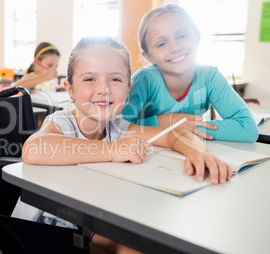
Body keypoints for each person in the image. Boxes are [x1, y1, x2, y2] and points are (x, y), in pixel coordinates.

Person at [15, 36, 231, 254]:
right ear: (70, 89)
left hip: (88, 223)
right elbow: (33, 149)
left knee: (149, 242)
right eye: (90, 79)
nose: (104, 89)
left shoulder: (118, 127)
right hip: (44, 232)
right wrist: (113, 150)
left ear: (128, 89)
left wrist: (198, 152)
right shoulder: (63, 122)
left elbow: (173, 135)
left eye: (115, 80)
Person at [121, 4, 258, 143]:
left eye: (182, 36)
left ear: (197, 37)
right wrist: (164, 122)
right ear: (149, 56)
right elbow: (115, 128)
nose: (175, 48)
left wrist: (183, 129)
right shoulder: (145, 80)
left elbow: (247, 128)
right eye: (161, 44)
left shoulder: (210, 78)